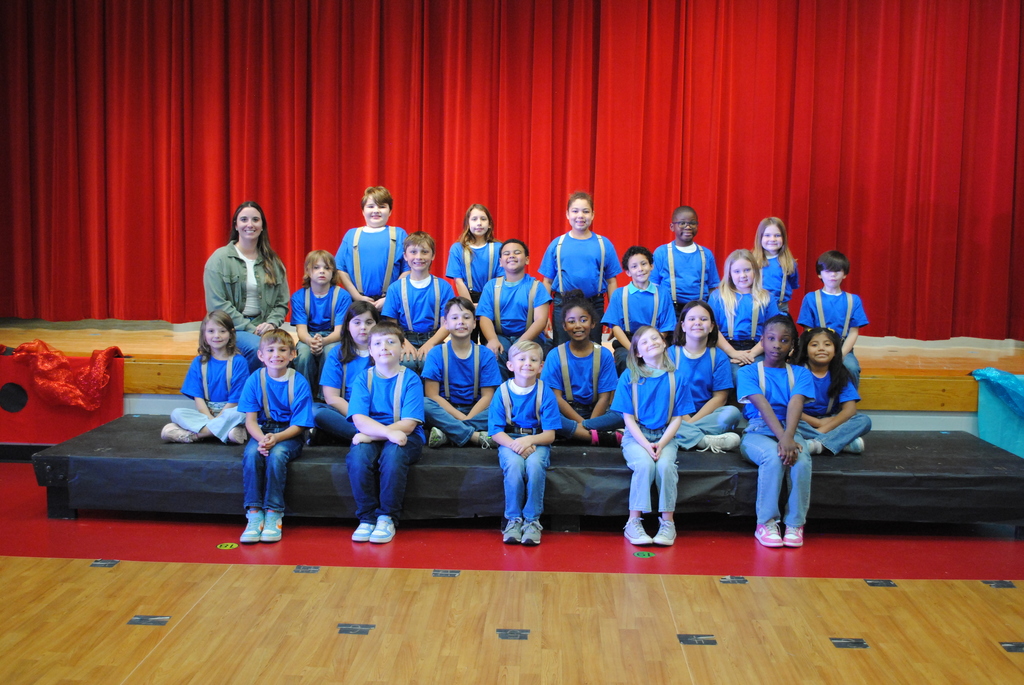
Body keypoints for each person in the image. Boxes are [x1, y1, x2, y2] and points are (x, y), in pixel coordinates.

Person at [736, 315, 815, 548]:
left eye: (784, 340)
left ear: (792, 345)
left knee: (801, 461)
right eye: (771, 339)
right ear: (762, 340)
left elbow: (795, 405)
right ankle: (766, 523)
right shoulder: (749, 372)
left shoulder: (800, 374)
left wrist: (789, 437)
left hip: (791, 429)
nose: (776, 345)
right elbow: (762, 405)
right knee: (773, 457)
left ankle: (795, 524)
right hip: (758, 430)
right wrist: (784, 439)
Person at [612, 326, 694, 546]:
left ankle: (668, 522)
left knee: (666, 466)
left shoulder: (677, 377)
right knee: (645, 466)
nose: (651, 343)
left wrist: (661, 443)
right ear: (638, 352)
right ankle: (633, 521)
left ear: (664, 342)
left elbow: (677, 417)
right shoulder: (630, 376)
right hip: (637, 435)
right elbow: (628, 419)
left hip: (664, 435)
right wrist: (647, 446)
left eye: (655, 338)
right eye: (644, 342)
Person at [346, 322, 426, 544]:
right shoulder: (364, 378)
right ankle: (367, 518)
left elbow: (409, 425)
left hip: (405, 437)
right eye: (378, 343)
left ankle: (386, 517)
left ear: (402, 348)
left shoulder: (410, 379)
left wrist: (371, 435)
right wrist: (382, 434)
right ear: (370, 350)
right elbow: (359, 420)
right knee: (358, 457)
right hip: (380, 432)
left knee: (393, 456)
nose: (385, 347)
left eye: (391, 342)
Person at [237, 330, 315, 544]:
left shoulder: (298, 382)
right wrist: (262, 439)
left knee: (277, 455)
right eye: (270, 350)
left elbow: (299, 425)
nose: (276, 355)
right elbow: (250, 421)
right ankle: (254, 512)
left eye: (282, 350)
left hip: (288, 433)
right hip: (262, 430)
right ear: (261, 355)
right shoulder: (255, 379)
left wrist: (276, 439)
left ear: (292, 355)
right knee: (252, 454)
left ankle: (273, 513)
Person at [489, 340, 560, 546]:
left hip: (537, 440)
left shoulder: (545, 391)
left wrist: (529, 440)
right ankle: (513, 519)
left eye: (533, 359)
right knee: (514, 466)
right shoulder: (502, 391)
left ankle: (532, 521)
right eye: (521, 359)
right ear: (510, 365)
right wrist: (516, 445)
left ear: (541, 366)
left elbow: (550, 435)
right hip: (510, 440)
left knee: (535, 466)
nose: (527, 363)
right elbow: (495, 431)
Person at [204, 201, 290, 372]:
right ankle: (247, 396)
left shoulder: (273, 262)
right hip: (231, 329)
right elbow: (217, 305)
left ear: (262, 226)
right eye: (244, 219)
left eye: (255, 220)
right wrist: (252, 329)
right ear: (236, 225)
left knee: (288, 352)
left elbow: (282, 302)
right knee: (261, 349)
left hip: (265, 326)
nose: (250, 224)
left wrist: (272, 324)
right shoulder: (219, 260)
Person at [541, 289, 623, 445]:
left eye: (583, 320)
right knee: (544, 414)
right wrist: (583, 424)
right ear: (564, 326)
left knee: (623, 414)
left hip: (597, 414)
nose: (578, 326)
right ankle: (599, 438)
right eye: (571, 321)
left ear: (592, 323)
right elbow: (556, 398)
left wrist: (589, 425)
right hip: (566, 413)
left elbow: (604, 397)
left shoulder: (603, 355)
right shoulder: (555, 355)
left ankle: (577, 434)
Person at [539, 191, 621, 346]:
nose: (580, 216)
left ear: (593, 214)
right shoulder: (557, 244)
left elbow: (611, 282)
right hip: (563, 304)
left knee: (593, 349)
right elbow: (547, 281)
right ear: (567, 214)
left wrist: (614, 314)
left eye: (585, 211)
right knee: (562, 349)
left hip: (593, 304)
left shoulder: (604, 244)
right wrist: (543, 315)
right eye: (575, 211)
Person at [423, 297, 503, 449]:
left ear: (474, 323)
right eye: (454, 318)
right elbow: (432, 395)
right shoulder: (436, 353)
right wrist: (459, 417)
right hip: (446, 410)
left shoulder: (485, 354)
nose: (461, 322)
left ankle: (448, 433)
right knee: (423, 404)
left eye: (467, 317)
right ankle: (474, 436)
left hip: (476, 410)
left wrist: (467, 418)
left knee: (505, 408)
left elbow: (487, 396)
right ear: (445, 323)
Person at [162, 310, 250, 445]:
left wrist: (218, 418)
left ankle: (193, 435)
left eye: (222, 331)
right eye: (211, 331)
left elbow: (236, 400)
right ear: (204, 335)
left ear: (231, 334)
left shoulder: (239, 362)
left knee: (239, 415)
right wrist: (210, 419)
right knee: (177, 413)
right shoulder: (198, 362)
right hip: (206, 413)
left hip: (229, 411)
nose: (217, 336)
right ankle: (225, 432)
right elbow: (198, 397)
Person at [669, 301, 742, 452]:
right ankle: (703, 440)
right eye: (691, 319)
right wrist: (684, 419)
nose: (698, 323)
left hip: (705, 415)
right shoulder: (669, 354)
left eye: (703, 319)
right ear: (682, 326)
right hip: (675, 413)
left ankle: (682, 436)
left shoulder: (719, 357)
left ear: (712, 326)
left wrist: (690, 424)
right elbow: (665, 394)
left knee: (732, 413)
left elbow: (720, 398)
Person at [381, 231, 456, 374]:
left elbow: (447, 323)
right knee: (406, 363)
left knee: (430, 363)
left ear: (433, 255)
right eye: (413, 252)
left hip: (434, 339)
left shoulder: (443, 287)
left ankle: (432, 396)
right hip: (404, 339)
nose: (419, 257)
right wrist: (404, 343)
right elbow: (391, 323)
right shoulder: (396, 288)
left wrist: (431, 344)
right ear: (405, 256)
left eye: (425, 252)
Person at [792, 327, 872, 455]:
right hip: (803, 421)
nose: (821, 348)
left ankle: (816, 444)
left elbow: (850, 410)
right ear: (806, 351)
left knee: (864, 421)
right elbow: (788, 408)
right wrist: (817, 423)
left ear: (835, 351)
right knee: (784, 420)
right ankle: (839, 443)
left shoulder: (840, 373)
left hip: (830, 420)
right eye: (814, 345)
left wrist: (823, 429)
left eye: (827, 344)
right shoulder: (796, 373)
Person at [477, 238, 553, 369]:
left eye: (517, 252)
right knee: (494, 354)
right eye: (506, 254)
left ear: (527, 259)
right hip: (500, 336)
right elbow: (485, 318)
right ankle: (499, 389)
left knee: (525, 355)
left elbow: (541, 320)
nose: (511, 256)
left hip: (530, 337)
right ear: (500, 262)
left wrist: (521, 343)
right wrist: (492, 340)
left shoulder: (536, 287)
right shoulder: (491, 286)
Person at [796, 250, 869, 386]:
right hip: (816, 347)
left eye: (838, 271)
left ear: (845, 274)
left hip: (843, 348)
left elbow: (854, 332)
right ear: (819, 274)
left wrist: (839, 355)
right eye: (828, 271)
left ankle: (848, 402)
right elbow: (807, 331)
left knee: (851, 368)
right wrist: (817, 350)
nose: (833, 275)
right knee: (803, 369)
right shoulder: (811, 298)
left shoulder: (853, 300)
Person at [311, 302, 381, 443]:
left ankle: (358, 435)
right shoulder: (336, 353)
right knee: (314, 411)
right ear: (348, 326)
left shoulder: (384, 351)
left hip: (378, 409)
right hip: (348, 411)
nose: (363, 328)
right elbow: (332, 397)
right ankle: (377, 435)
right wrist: (360, 417)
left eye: (369, 322)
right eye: (357, 322)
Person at [707, 249, 780, 381]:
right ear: (729, 274)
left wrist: (752, 353)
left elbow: (772, 332)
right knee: (734, 375)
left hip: (757, 348)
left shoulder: (767, 298)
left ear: (755, 271)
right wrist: (732, 352)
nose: (743, 275)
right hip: (726, 348)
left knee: (760, 377)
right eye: (737, 271)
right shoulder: (718, 297)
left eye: (747, 270)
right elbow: (713, 329)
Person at [602, 245, 677, 373]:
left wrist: (652, 344)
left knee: (669, 360)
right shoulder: (620, 294)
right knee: (625, 360)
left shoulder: (663, 293)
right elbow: (616, 327)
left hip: (655, 341)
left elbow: (666, 327)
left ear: (651, 266)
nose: (640, 269)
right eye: (634, 266)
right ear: (628, 272)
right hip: (628, 342)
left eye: (644, 264)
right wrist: (633, 349)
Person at [290, 250, 352, 399]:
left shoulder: (342, 296)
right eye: (316, 267)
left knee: (330, 352)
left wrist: (323, 342)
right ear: (308, 271)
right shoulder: (299, 296)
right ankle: (305, 396)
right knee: (303, 354)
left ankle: (326, 397)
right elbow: (301, 331)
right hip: (309, 337)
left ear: (333, 272)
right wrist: (311, 341)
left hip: (333, 337)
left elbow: (339, 332)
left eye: (327, 268)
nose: (321, 271)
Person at [335, 186, 408, 311]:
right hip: (358, 303)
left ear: (390, 211)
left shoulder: (399, 234)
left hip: (390, 303)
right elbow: (340, 270)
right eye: (371, 206)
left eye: (382, 206)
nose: (376, 210)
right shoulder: (351, 235)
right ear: (363, 211)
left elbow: (407, 269)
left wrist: (389, 298)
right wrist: (357, 296)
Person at [652, 206, 720, 318]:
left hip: (700, 310)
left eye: (692, 223)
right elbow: (654, 285)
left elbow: (713, 288)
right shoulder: (661, 253)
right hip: (669, 311)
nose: (688, 227)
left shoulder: (706, 254)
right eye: (682, 223)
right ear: (672, 226)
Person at [445, 204, 502, 302]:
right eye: (474, 219)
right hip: (468, 298)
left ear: (489, 224)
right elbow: (458, 281)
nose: (479, 223)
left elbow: (501, 279)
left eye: (483, 219)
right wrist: (470, 306)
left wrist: (487, 305)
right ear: (468, 223)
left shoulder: (499, 248)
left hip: (493, 298)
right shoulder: (457, 249)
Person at [752, 217, 799, 314]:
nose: (772, 239)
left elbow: (793, 284)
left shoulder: (789, 263)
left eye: (777, 235)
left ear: (783, 238)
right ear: (760, 237)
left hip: (780, 310)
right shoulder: (751, 261)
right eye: (767, 235)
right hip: (756, 308)